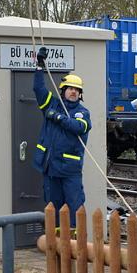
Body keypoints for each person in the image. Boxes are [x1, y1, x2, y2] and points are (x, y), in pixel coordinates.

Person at [33, 46, 92, 229]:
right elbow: (38, 88)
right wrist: (39, 67)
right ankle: (56, 243)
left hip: (70, 170)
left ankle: (75, 246)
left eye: (76, 90)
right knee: (53, 206)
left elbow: (77, 127)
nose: (73, 92)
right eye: (69, 89)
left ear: (80, 94)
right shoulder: (52, 103)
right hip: (50, 167)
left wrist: (58, 118)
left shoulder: (82, 112)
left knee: (74, 206)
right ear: (63, 90)